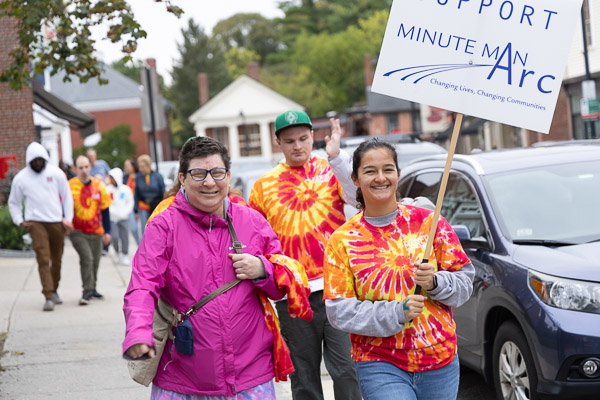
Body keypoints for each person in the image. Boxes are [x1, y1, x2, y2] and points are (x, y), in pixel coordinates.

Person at [122, 136, 312, 398]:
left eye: (217, 173)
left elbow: (281, 285)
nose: (210, 182)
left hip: (250, 375)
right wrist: (137, 332)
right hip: (182, 377)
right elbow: (142, 285)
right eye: (198, 174)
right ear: (182, 178)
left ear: (228, 176)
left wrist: (262, 270)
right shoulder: (163, 226)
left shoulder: (252, 221)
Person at [323, 139, 475, 400]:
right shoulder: (343, 240)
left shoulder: (429, 223)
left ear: (398, 174)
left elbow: (465, 284)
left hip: (439, 359)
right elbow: (339, 312)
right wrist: (396, 312)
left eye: (388, 169)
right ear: (355, 178)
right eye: (370, 171)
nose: (380, 178)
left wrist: (436, 283)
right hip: (379, 361)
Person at [249, 110, 361, 400]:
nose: (297, 146)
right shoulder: (263, 187)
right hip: (293, 295)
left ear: (313, 137)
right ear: (278, 143)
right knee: (304, 377)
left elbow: (357, 198)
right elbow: (255, 241)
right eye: (289, 141)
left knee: (347, 370)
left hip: (337, 289)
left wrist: (337, 157)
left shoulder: (330, 169)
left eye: (302, 138)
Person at [8, 142, 74, 311]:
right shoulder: (21, 178)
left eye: (40, 160)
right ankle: (48, 295)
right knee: (43, 258)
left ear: (45, 158)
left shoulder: (56, 173)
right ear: (29, 160)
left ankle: (54, 288)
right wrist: (19, 220)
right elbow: (14, 202)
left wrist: (68, 218)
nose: (38, 163)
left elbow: (67, 196)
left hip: (56, 221)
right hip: (35, 222)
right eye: (35, 160)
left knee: (56, 259)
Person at [69, 155, 112, 305]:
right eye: (80, 168)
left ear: (90, 167)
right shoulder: (69, 186)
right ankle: (86, 290)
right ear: (75, 169)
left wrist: (107, 232)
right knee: (87, 258)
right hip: (77, 231)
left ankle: (92, 289)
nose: (84, 170)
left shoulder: (99, 185)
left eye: (86, 167)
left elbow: (105, 210)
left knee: (95, 262)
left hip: (96, 230)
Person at [106, 168, 134, 265]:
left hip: (123, 218)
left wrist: (126, 212)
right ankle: (117, 252)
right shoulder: (108, 189)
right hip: (113, 218)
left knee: (124, 237)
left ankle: (125, 254)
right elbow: (107, 202)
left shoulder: (126, 189)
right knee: (114, 237)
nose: (111, 180)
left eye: (112, 178)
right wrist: (111, 212)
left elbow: (130, 202)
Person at [134, 154, 165, 235]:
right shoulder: (138, 178)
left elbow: (163, 192)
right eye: (139, 167)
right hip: (144, 206)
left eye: (143, 167)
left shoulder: (158, 176)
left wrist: (163, 207)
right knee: (145, 230)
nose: (141, 169)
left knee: (157, 229)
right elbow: (136, 194)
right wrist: (135, 210)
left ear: (148, 165)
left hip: (156, 206)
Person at [123, 158, 140, 244]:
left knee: (142, 229)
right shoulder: (124, 178)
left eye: (127, 166)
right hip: (130, 206)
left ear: (133, 166)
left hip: (139, 205)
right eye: (125, 166)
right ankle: (140, 245)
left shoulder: (139, 176)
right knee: (133, 229)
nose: (126, 168)